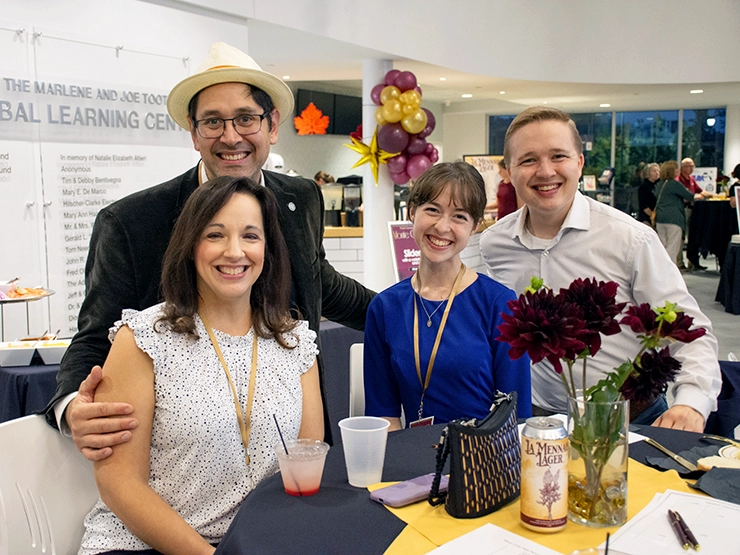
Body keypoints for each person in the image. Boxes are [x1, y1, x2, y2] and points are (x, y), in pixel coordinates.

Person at [44, 42, 374, 459]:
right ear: (193, 132)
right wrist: (73, 405)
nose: (230, 136)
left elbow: (320, 281)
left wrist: (405, 312)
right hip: (187, 456)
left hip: (293, 444)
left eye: (246, 119)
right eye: (213, 121)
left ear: (272, 125)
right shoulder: (132, 223)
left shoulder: (301, 198)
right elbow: (95, 335)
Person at [78, 176, 323, 555]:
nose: (234, 251)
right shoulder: (143, 337)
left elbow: (305, 468)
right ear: (190, 246)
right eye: (215, 235)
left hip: (252, 544)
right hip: (140, 544)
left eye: (251, 236)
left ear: (269, 249)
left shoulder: (295, 343)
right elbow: (119, 484)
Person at [480, 106, 721, 433]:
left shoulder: (629, 239)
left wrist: (691, 403)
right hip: (536, 423)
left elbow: (690, 332)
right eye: (528, 160)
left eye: (558, 156)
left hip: (633, 422)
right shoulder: (494, 244)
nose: (545, 171)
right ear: (508, 170)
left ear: (579, 163)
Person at [363, 162, 532, 431]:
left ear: (475, 226)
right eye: (432, 210)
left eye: (459, 216)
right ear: (411, 212)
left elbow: (517, 415)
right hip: (412, 461)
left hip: (483, 460)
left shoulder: (500, 304)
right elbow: (383, 414)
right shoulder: (385, 308)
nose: (442, 227)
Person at [654, 160, 712, 269]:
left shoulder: (660, 184)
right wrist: (702, 196)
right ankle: (669, 272)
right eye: (677, 168)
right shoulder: (675, 184)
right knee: (673, 247)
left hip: (660, 218)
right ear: (672, 171)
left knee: (663, 245)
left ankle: (659, 269)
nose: (678, 170)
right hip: (674, 218)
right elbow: (691, 196)